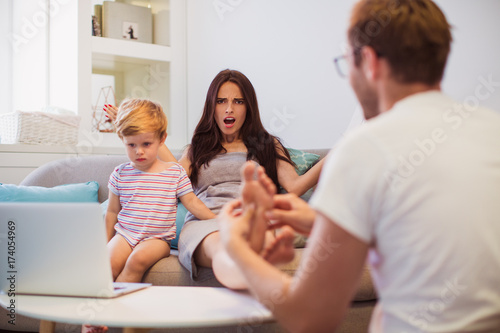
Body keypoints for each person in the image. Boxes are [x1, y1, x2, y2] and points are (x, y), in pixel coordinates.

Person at [217, 0, 500, 332]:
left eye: (345, 63)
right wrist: (321, 224)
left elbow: (310, 317)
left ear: (368, 62)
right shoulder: (490, 130)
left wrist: (234, 244)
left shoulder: (365, 147)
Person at [104, 71, 325, 290]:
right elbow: (171, 173)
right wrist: (133, 124)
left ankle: (255, 271)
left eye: (238, 101)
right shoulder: (197, 147)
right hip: (206, 222)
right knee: (224, 249)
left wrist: (341, 152)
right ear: (212, 106)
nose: (229, 108)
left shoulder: (267, 145)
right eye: (221, 101)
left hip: (251, 217)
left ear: (248, 107)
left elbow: (295, 186)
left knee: (256, 240)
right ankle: (250, 276)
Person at [105, 98, 216, 283]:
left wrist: (215, 220)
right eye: (131, 145)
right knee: (106, 264)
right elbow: (112, 212)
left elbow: (192, 202)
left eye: (146, 144)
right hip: (125, 234)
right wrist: (105, 243)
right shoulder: (120, 173)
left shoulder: (174, 172)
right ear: (122, 139)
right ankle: (100, 305)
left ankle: (118, 301)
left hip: (157, 240)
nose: (139, 151)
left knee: (136, 260)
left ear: (161, 139)